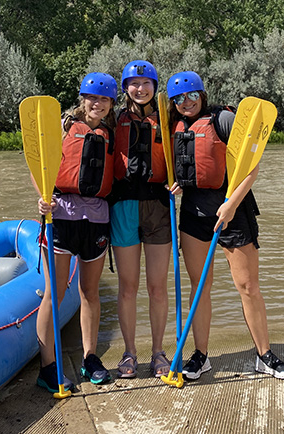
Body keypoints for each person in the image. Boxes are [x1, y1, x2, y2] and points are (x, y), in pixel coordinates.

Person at [167, 71, 284, 380]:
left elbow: (251, 166)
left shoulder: (223, 120)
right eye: (179, 99)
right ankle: (201, 355)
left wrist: (231, 204)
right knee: (200, 286)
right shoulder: (176, 126)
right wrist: (179, 183)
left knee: (248, 286)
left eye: (192, 95)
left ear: (202, 94)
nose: (186, 102)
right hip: (194, 214)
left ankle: (265, 354)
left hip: (233, 209)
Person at [34, 72, 117, 393]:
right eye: (92, 98)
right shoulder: (65, 127)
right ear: (83, 99)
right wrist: (42, 198)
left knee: (90, 294)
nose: (98, 104)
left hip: (96, 219)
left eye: (105, 99)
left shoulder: (111, 133)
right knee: (54, 295)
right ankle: (48, 367)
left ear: (111, 104)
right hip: (61, 217)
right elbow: (37, 162)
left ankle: (90, 358)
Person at [110, 60, 172, 378]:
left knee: (158, 287)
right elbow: (85, 118)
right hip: (123, 207)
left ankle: (158, 352)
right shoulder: (113, 117)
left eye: (147, 82)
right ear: (125, 88)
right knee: (128, 287)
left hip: (159, 208)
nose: (140, 88)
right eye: (134, 83)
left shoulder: (167, 118)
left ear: (154, 87)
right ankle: (129, 353)